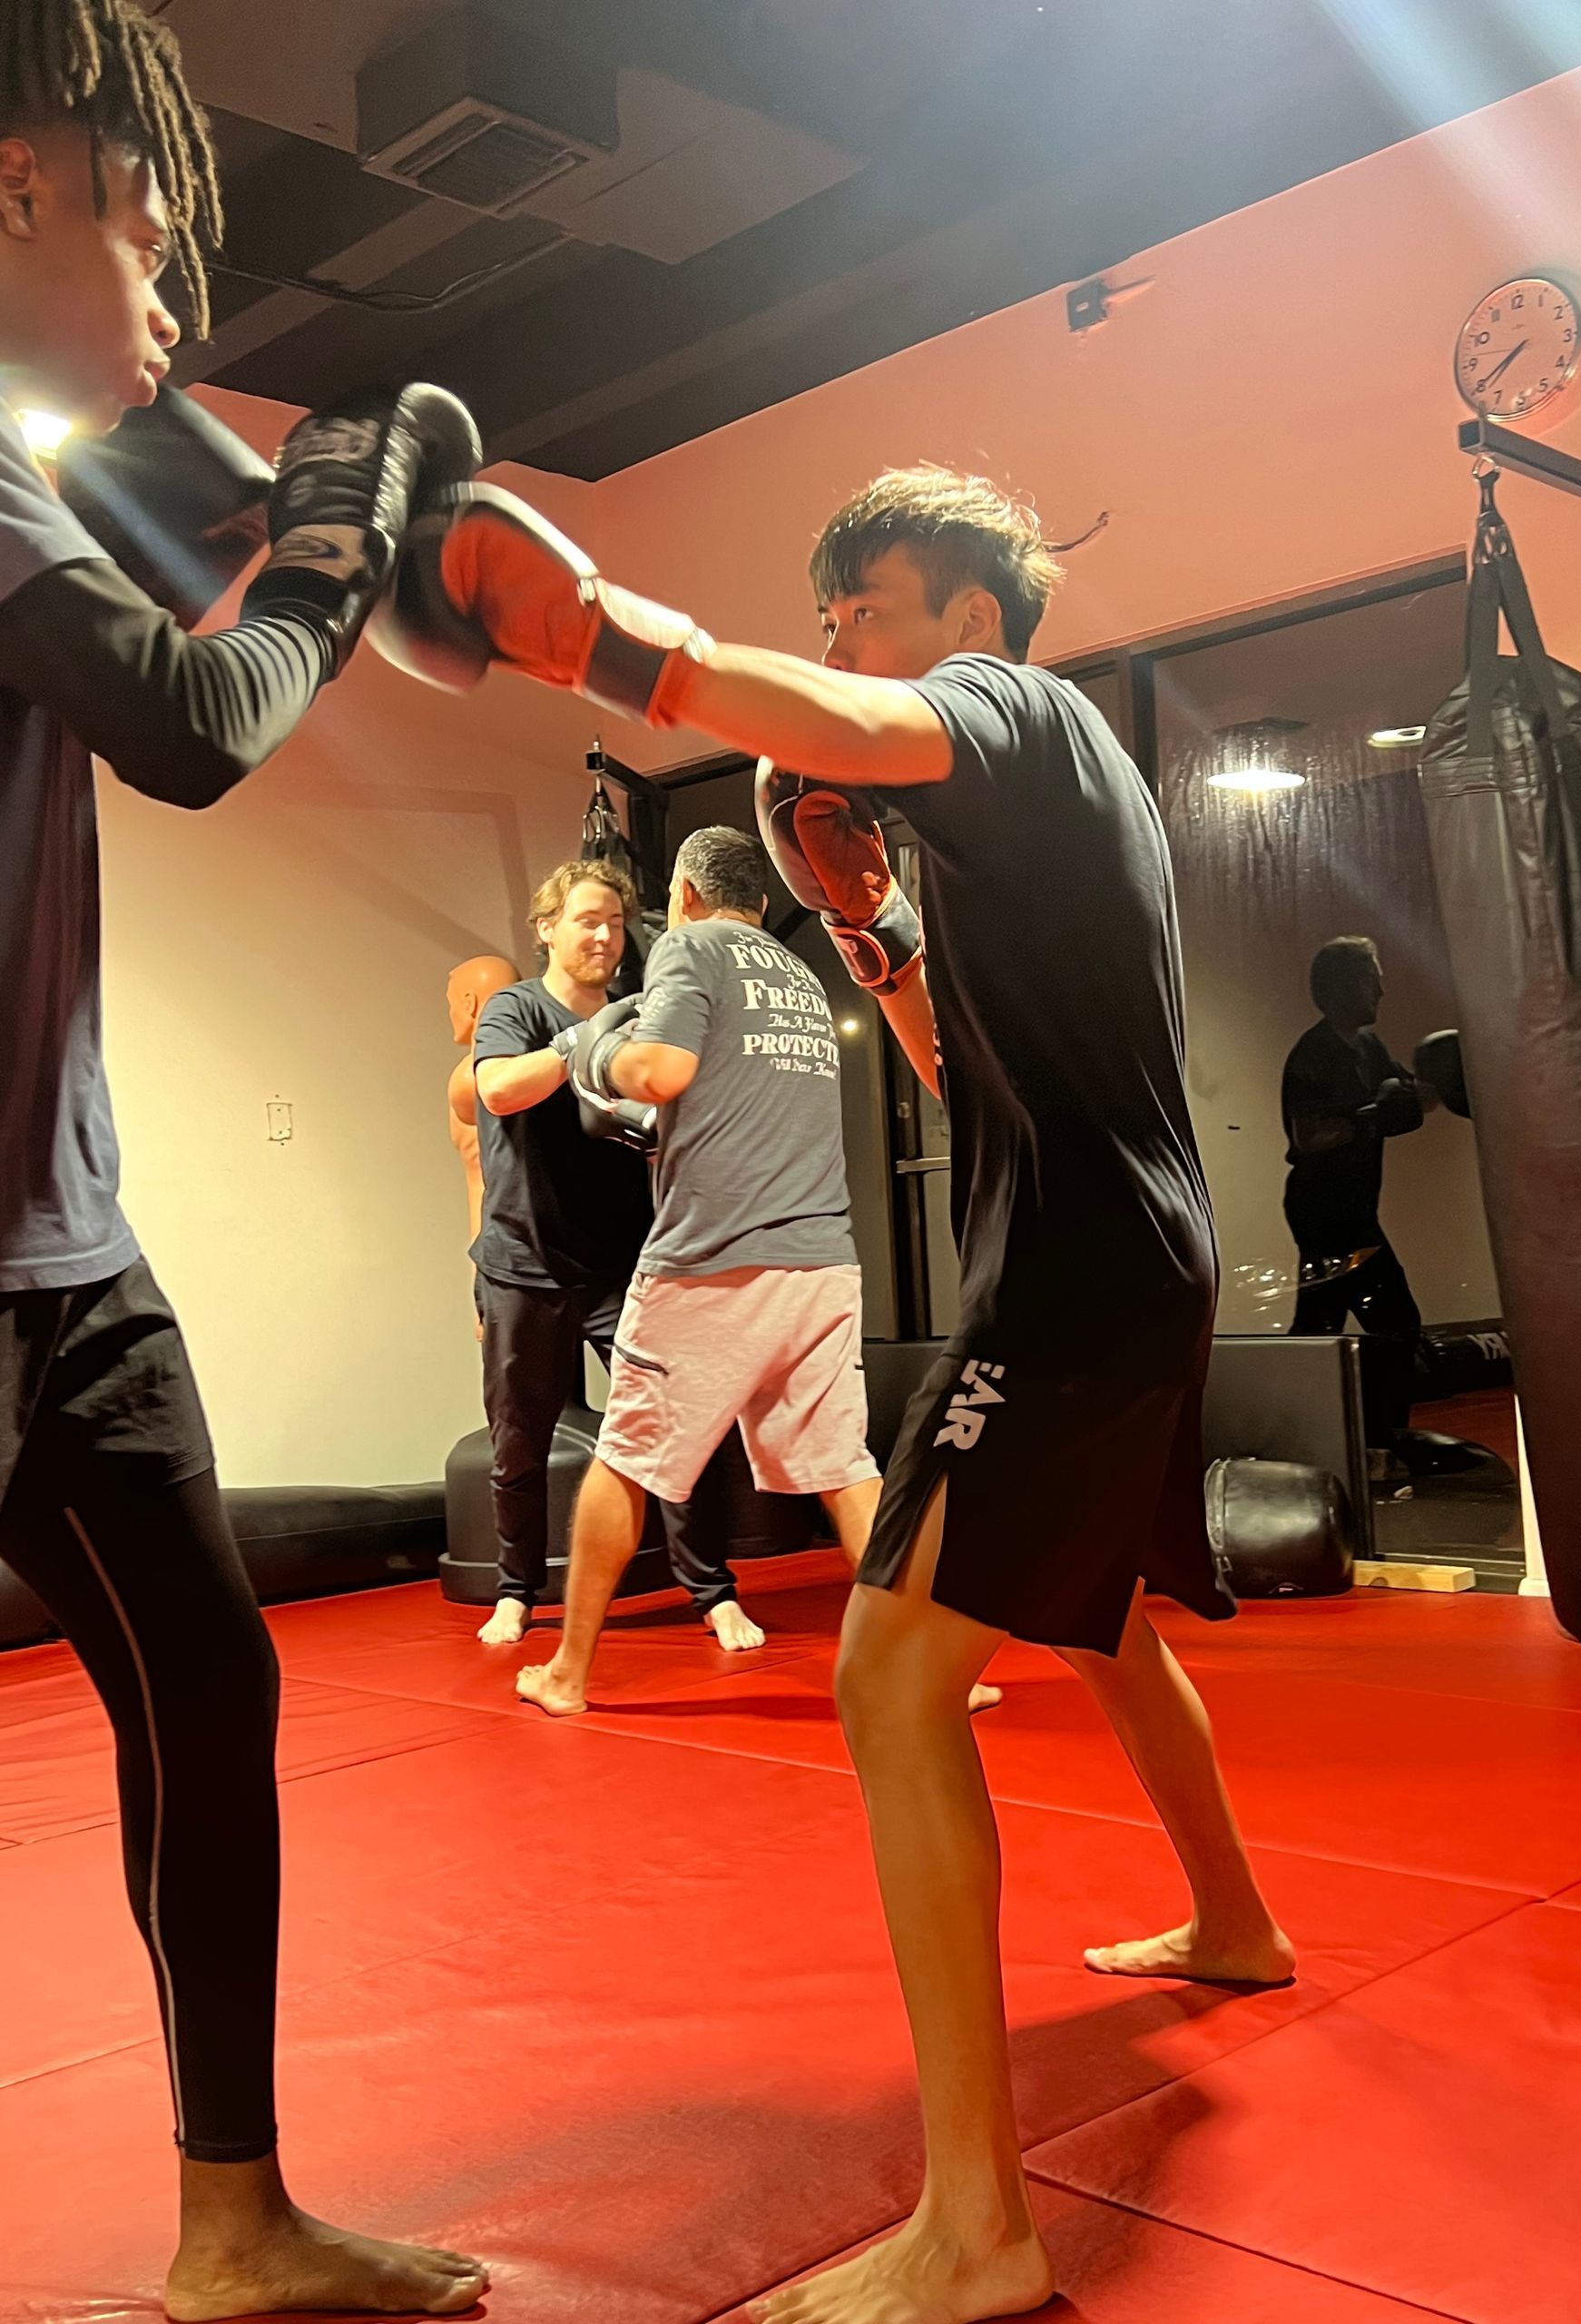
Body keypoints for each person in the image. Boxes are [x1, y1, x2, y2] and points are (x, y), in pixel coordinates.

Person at [386, 461, 1291, 2323]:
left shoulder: (1007, 706)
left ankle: (980, 2222)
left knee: (889, 1677)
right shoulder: (1042, 804)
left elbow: (848, 716)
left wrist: (608, 641)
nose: (838, 643)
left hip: (1077, 1275)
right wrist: (869, 935)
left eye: (856, 604)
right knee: (1106, 1616)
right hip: (1131, 1245)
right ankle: (1240, 1915)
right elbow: (973, 1078)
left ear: (965, 604)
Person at [0, 7, 489, 2317]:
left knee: (208, 1691)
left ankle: (236, 2221)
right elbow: (199, 724)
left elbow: (322, 613)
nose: (179, 283)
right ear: (19, 188)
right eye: (147, 220)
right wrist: (319, 532)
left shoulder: (50, 470)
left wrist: (363, 529)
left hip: (63, 1254)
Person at [514, 826, 887, 1715]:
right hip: (822, 1260)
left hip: (712, 1260)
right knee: (847, 1467)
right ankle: (941, 1668)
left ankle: (566, 1673)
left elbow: (658, 1069)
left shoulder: (689, 946)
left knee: (624, 1458)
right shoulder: (798, 977)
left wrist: (586, 1050)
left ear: (682, 892)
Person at [470, 854, 769, 1651]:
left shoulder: (644, 1017)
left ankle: (711, 1592)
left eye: (614, 921)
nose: (603, 935)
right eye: (585, 920)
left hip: (623, 1263)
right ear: (547, 930)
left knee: (679, 1423)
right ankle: (515, 1593)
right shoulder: (516, 1009)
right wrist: (582, 1045)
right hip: (523, 1262)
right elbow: (496, 1092)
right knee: (518, 1439)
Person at [1281, 935, 1429, 1466]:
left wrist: (1457, 1076)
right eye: (1372, 977)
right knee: (1395, 1322)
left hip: (1353, 1208)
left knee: (1319, 1325)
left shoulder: (1369, 1049)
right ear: (1343, 986)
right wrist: (1368, 1117)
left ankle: (1297, 1437)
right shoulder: (1313, 1053)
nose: (1383, 989)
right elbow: (1307, 1137)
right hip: (1324, 1210)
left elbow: (1408, 1095)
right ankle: (1381, 1445)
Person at [445, 950, 518, 1339]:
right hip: (513, 1260)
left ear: (470, 1003)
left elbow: (482, 1187)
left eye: (452, 1003)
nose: (451, 1015)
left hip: (522, 1263)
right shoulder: (533, 1065)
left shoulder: (477, 1076)